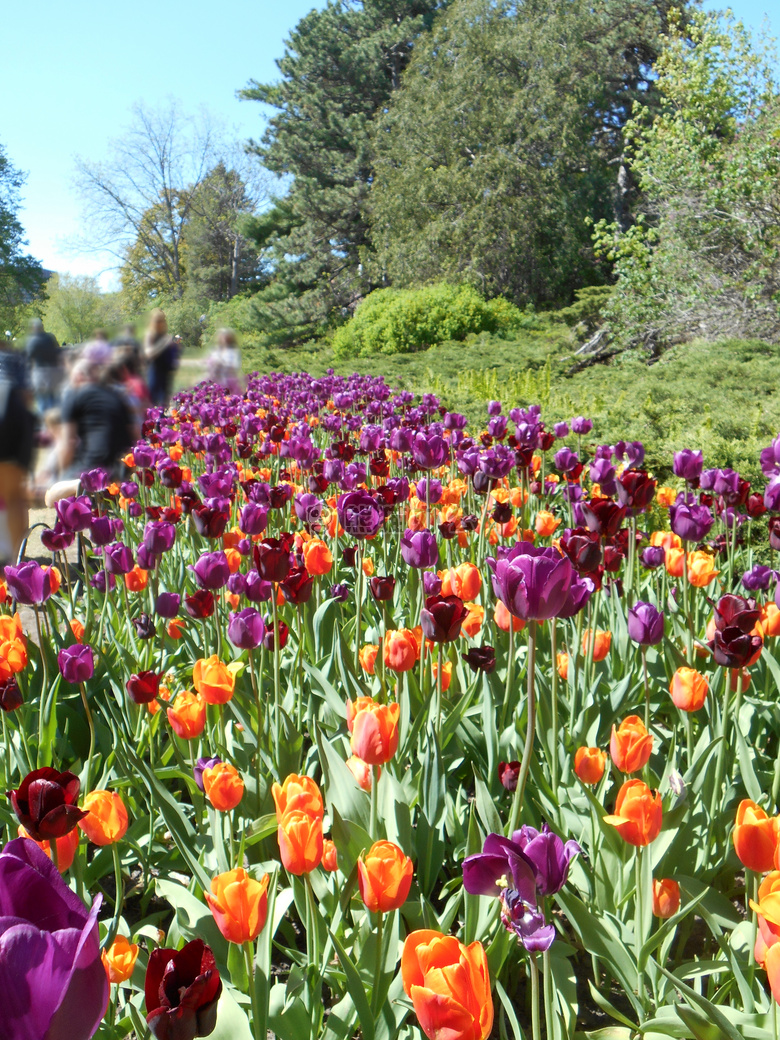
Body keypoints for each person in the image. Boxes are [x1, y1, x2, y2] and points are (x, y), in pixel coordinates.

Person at [56, 349, 136, 485]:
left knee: (53, 492)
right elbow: (134, 435)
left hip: (93, 467)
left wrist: (62, 476)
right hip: (121, 470)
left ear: (79, 376)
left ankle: (91, 487)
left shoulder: (74, 396)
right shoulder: (116, 397)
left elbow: (68, 443)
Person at [0, 342, 36, 561]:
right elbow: (27, 397)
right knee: (14, 497)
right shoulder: (13, 357)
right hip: (13, 411)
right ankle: (15, 561)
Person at [143, 309, 179, 408]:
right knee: (153, 401)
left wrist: (174, 346)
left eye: (162, 320)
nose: (160, 323)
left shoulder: (165, 335)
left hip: (166, 373)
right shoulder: (150, 334)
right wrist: (164, 343)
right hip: (154, 371)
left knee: (164, 402)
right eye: (157, 320)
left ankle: (162, 420)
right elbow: (148, 353)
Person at [25, 318, 62, 411]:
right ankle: (54, 420)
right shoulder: (50, 338)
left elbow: (28, 358)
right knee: (53, 399)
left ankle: (44, 421)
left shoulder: (32, 341)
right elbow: (57, 351)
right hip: (53, 370)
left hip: (39, 371)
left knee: (42, 400)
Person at [207, 328, 242, 393]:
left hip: (228, 383)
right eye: (222, 337)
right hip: (214, 381)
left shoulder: (234, 351)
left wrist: (221, 364)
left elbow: (235, 367)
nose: (224, 339)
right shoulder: (215, 350)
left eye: (226, 337)